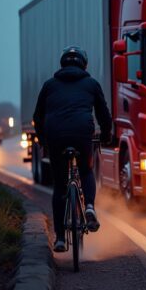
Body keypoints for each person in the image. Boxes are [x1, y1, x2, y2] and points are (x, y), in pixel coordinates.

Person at [33, 45, 112, 252]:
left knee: (60, 185)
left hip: (55, 135)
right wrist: (105, 136)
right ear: (84, 64)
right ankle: (89, 207)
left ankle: (60, 238)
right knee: (86, 170)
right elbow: (104, 115)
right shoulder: (91, 84)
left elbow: (37, 117)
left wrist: (43, 142)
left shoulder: (49, 85)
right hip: (82, 133)